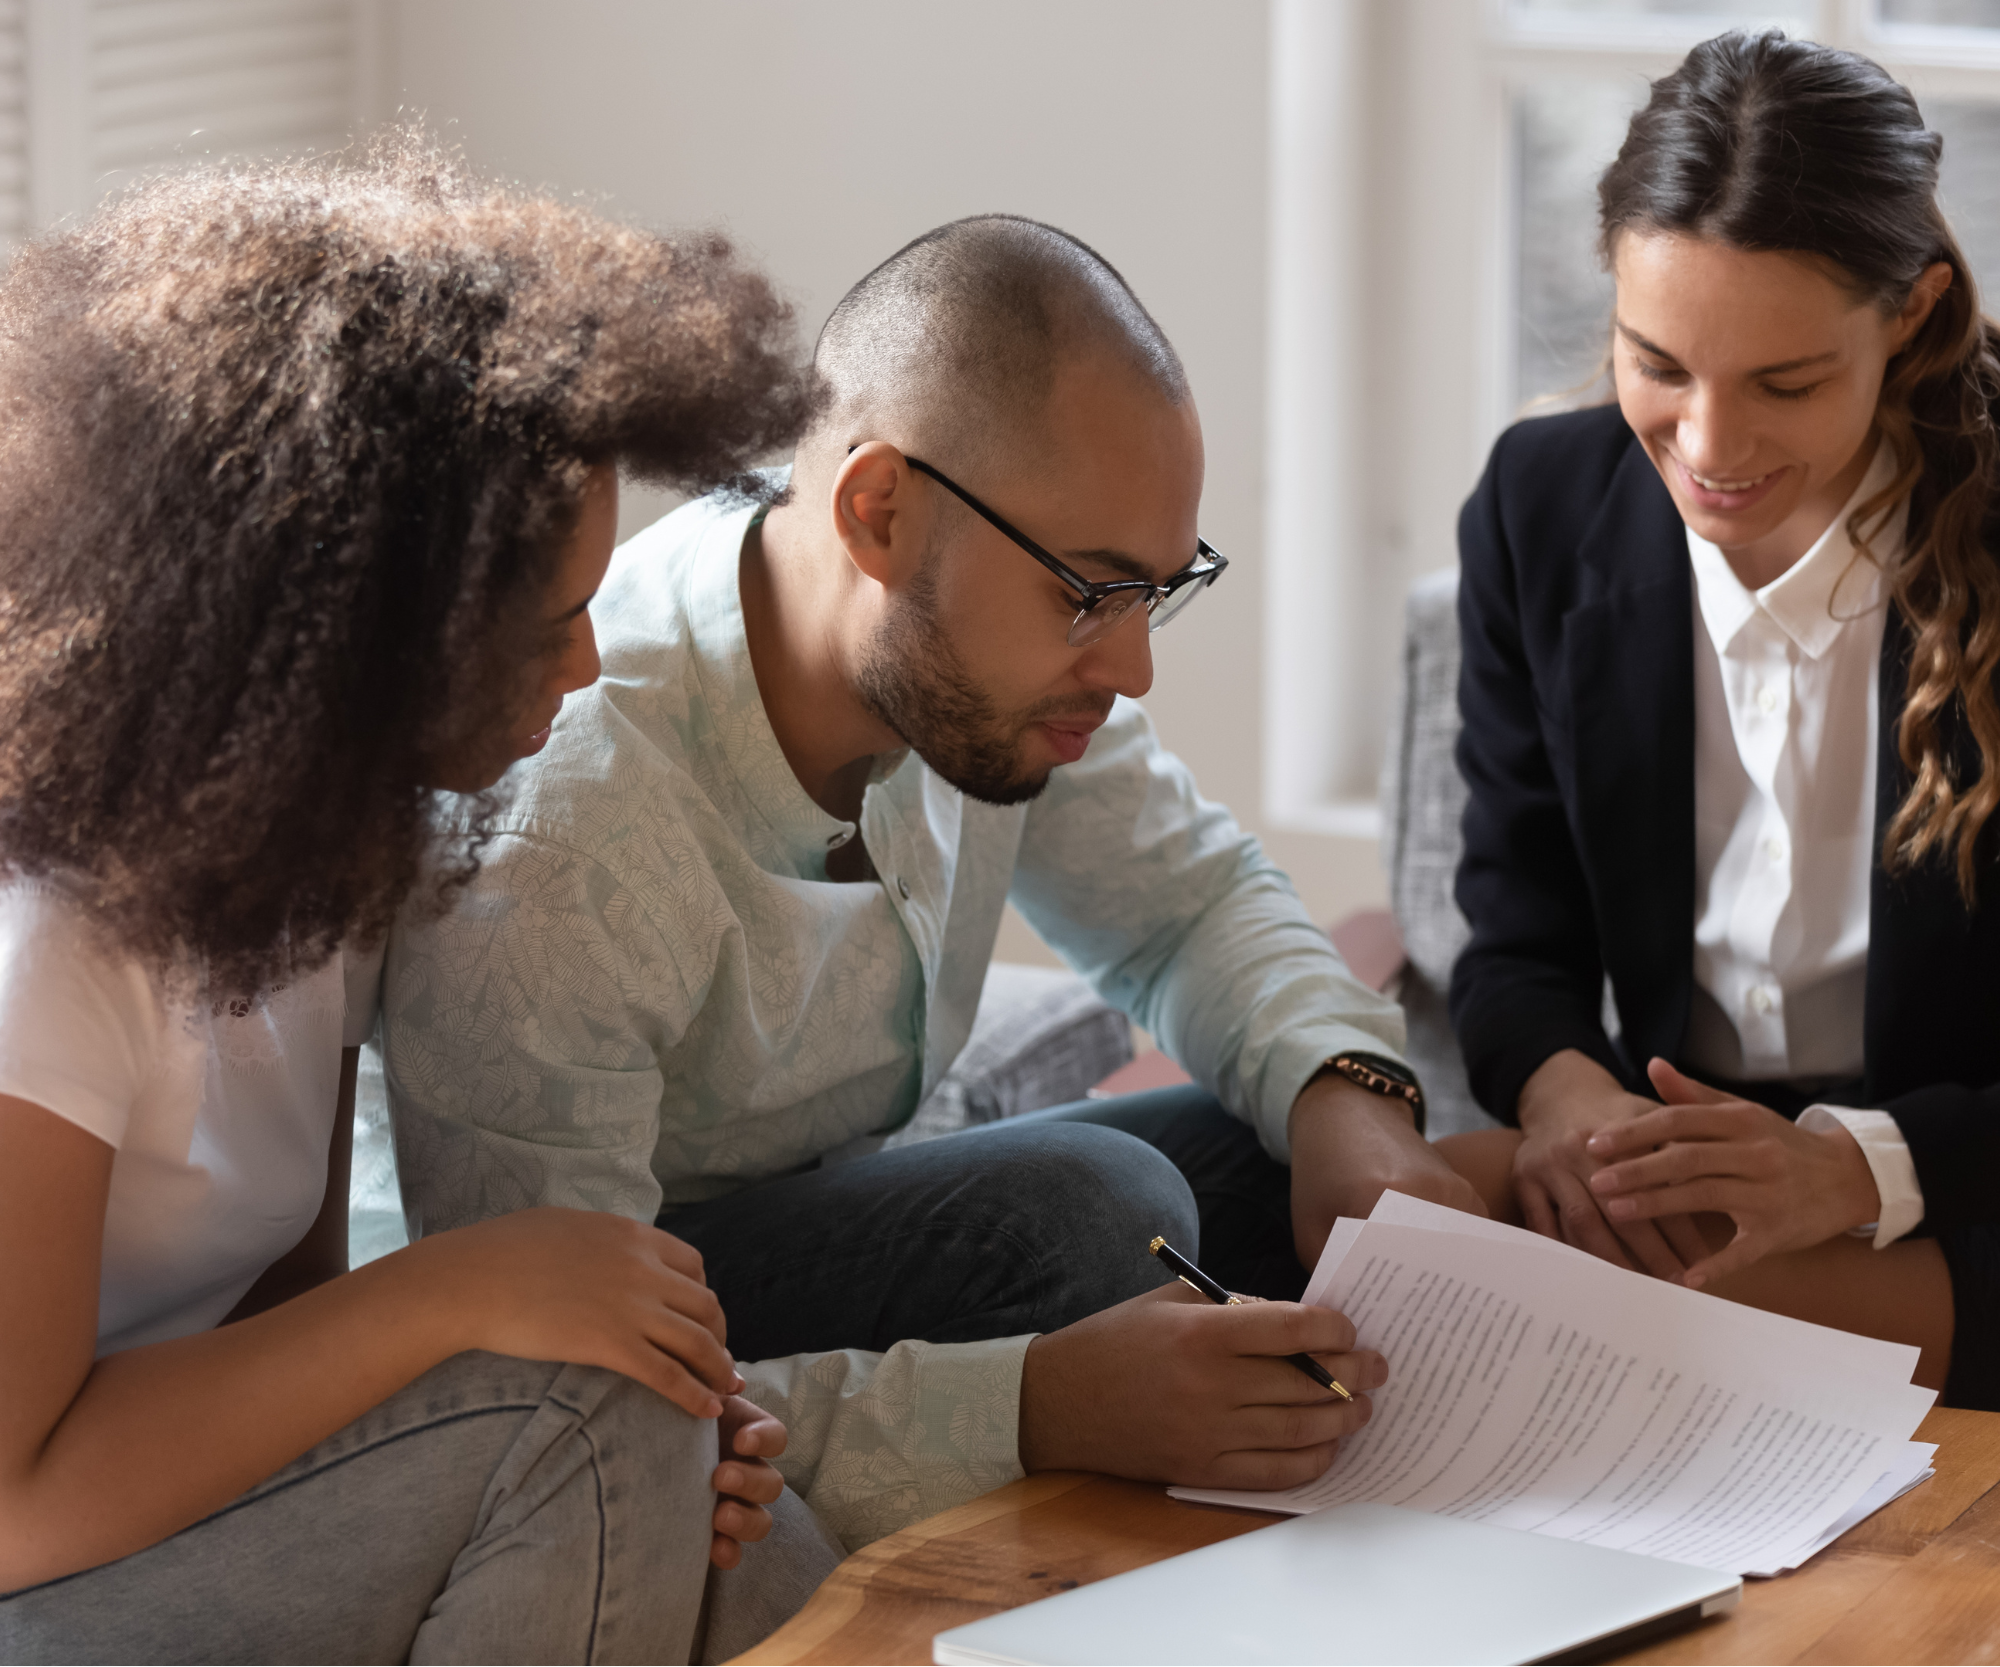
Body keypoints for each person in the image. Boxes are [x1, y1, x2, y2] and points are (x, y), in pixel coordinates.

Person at [383, 215, 1425, 1542]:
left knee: (1285, 1139)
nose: (1134, 667)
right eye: (1091, 594)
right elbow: (555, 1403)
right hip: (596, 1313)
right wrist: (1033, 1406)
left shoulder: (970, 678)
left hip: (803, 1226)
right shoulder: (561, 845)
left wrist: (1354, 1093)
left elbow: (1188, 907)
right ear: (880, 514)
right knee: (1107, 1222)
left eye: (1158, 594)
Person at [0, 142, 841, 1664]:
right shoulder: (50, 939)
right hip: (32, 1571)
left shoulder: (319, 857)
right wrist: (458, 1295)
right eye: (549, 624)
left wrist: (596, 1388)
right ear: (356, 632)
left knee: (741, 1517)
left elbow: (282, 1317)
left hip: (170, 1521)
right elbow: (12, 1500)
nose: (585, 670)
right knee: (592, 1434)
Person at [1450, 29, 2000, 1408]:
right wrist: (1574, 1102)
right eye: (1658, 365)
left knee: (1568, 1310)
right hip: (1682, 1158)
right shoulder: (1537, 506)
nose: (1707, 447)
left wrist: (1861, 1167)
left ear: (1915, 315)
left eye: (1786, 384)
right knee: (1368, 1206)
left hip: (1962, 1177)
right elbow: (1513, 947)